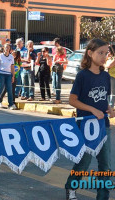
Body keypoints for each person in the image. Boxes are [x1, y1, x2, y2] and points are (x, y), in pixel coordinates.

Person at [65, 38, 115, 200]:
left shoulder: (105, 76)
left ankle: (103, 197)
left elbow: (103, 100)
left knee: (105, 165)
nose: (104, 56)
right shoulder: (83, 76)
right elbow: (73, 100)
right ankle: (71, 187)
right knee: (84, 163)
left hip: (103, 126)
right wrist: (92, 110)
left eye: (106, 53)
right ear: (90, 53)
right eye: (100, 52)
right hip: (86, 127)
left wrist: (109, 109)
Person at [0, 43, 16, 110]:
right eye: (6, 47)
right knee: (0, 88)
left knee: (9, 89)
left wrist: (13, 76)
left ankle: (11, 104)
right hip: (1, 74)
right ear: (4, 48)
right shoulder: (0, 56)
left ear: (10, 49)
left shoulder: (11, 57)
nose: (7, 48)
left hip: (8, 75)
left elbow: (12, 67)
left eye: (8, 47)